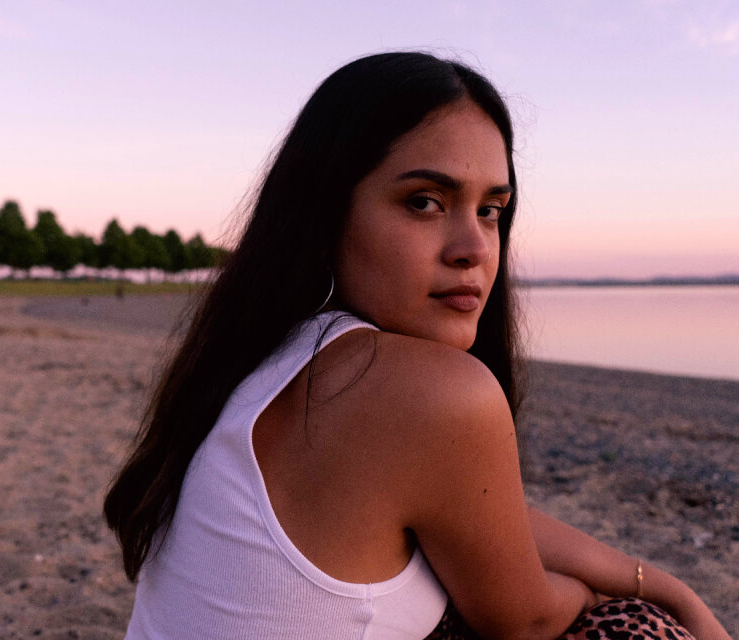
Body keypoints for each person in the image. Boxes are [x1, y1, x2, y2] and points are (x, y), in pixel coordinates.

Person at [104, 52, 731, 639]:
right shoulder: (420, 390)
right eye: (425, 202)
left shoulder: (268, 357)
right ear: (324, 217)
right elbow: (525, 619)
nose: (475, 248)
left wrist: (661, 582)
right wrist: (624, 600)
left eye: (492, 209)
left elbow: (491, 523)